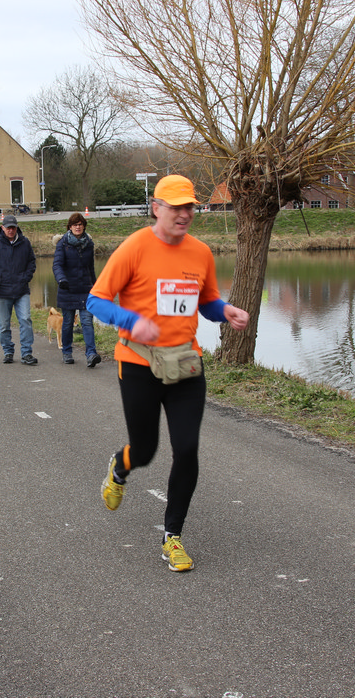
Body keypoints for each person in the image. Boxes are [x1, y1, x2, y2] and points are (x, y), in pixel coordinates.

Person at [87, 175, 249, 571]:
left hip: (185, 365)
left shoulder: (201, 253)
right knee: (144, 451)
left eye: (189, 206)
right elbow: (96, 300)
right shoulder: (135, 247)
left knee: (187, 449)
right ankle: (120, 467)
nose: (184, 214)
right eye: (175, 206)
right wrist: (131, 321)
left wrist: (225, 311)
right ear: (156, 208)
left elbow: (206, 301)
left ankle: (172, 536)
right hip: (138, 363)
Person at [0, 214, 38, 365]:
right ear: (2, 228)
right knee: (4, 325)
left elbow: (32, 262)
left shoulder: (25, 243)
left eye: (13, 228)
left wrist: (25, 278)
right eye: (8, 228)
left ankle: (26, 353)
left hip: (21, 291)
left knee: (25, 320)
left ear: (16, 227)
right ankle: (8, 351)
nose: (11, 230)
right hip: (2, 292)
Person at [52, 213, 101, 367]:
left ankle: (91, 354)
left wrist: (96, 286)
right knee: (67, 323)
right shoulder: (63, 244)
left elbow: (90, 268)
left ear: (84, 226)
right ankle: (67, 352)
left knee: (87, 321)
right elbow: (57, 265)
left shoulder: (89, 244)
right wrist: (61, 279)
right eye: (75, 224)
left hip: (85, 289)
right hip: (67, 288)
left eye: (80, 224)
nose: (78, 227)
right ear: (70, 227)